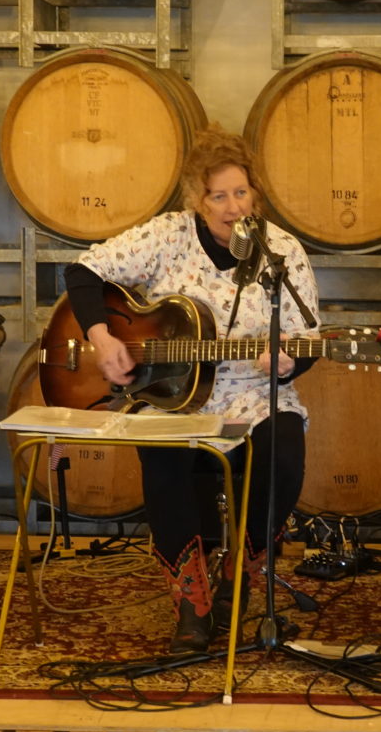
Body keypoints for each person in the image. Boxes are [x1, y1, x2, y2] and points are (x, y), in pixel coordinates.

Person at [63, 125, 320, 654]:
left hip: (252, 394)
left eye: (241, 193)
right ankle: (191, 601)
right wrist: (102, 335)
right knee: (161, 454)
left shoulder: (281, 250)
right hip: (171, 399)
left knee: (285, 448)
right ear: (197, 200)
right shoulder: (167, 236)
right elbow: (84, 269)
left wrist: (288, 364)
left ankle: (240, 580)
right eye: (218, 195)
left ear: (256, 194)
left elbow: (308, 337)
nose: (231, 207)